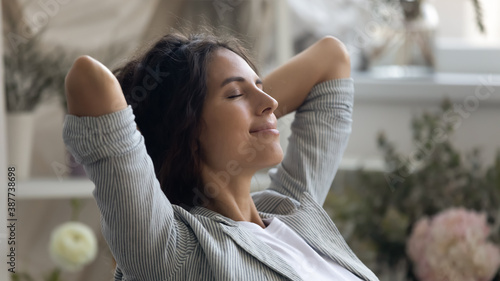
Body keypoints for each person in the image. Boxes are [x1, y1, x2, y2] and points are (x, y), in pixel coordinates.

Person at [62, 31, 379, 281]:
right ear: (186, 129)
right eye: (236, 94)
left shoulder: (294, 209)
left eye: (261, 85)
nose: (271, 101)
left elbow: (332, 58)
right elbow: (88, 80)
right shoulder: (173, 251)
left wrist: (249, 109)